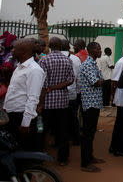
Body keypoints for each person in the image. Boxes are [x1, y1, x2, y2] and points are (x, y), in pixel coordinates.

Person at [3, 38, 45, 150]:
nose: (11, 50)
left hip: (21, 116)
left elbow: (33, 98)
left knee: (23, 151)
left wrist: (26, 123)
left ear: (23, 51)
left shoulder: (34, 70)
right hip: (12, 114)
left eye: (14, 48)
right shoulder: (19, 67)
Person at [39, 37, 75, 166]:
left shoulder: (44, 60)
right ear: (61, 46)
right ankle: (63, 158)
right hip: (62, 101)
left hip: (47, 101)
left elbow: (43, 84)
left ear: (49, 45)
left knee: (43, 130)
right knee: (62, 131)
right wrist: (58, 86)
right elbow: (71, 80)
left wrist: (41, 102)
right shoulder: (67, 60)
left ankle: (40, 157)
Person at [79, 42, 105, 172]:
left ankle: (90, 156)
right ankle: (85, 163)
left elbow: (101, 79)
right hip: (89, 104)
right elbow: (97, 82)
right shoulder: (88, 65)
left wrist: (101, 80)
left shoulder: (93, 64)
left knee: (91, 133)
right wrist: (100, 80)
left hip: (94, 103)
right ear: (91, 51)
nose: (100, 51)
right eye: (98, 49)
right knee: (87, 134)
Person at [61, 39, 82, 146]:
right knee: (73, 117)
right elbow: (79, 77)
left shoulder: (49, 58)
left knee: (59, 119)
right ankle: (76, 138)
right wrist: (78, 91)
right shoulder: (75, 59)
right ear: (69, 47)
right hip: (71, 93)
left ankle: (59, 140)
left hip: (56, 95)